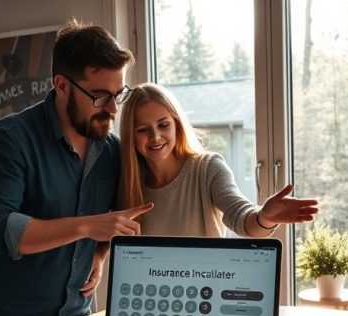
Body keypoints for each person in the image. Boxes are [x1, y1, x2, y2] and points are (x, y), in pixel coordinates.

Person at [0, 20, 151, 316]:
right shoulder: (10, 138)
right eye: (99, 96)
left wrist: (98, 254)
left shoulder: (110, 150)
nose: (112, 108)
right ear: (62, 85)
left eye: (117, 95)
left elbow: (108, 221)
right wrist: (85, 227)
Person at [118, 83, 318, 237]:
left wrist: (264, 218)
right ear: (130, 136)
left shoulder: (207, 169)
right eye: (143, 130)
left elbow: (239, 214)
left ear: (177, 125)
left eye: (163, 125)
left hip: (206, 289)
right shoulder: (127, 181)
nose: (155, 137)